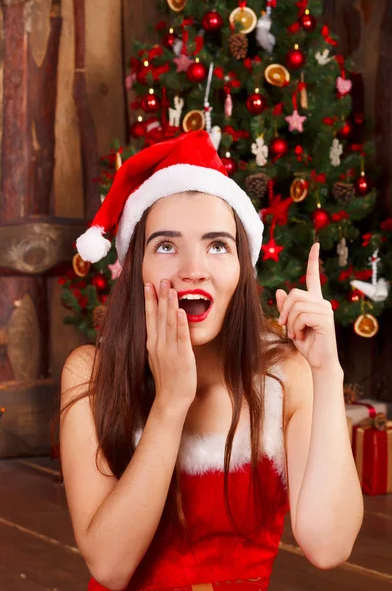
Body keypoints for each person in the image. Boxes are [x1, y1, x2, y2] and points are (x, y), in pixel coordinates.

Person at [59, 130, 363, 591]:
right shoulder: (91, 374)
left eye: (217, 245)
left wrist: (327, 371)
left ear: (242, 268)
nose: (192, 268)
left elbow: (329, 546)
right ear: (136, 264)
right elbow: (109, 565)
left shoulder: (285, 378)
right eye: (165, 245)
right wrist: (170, 403)